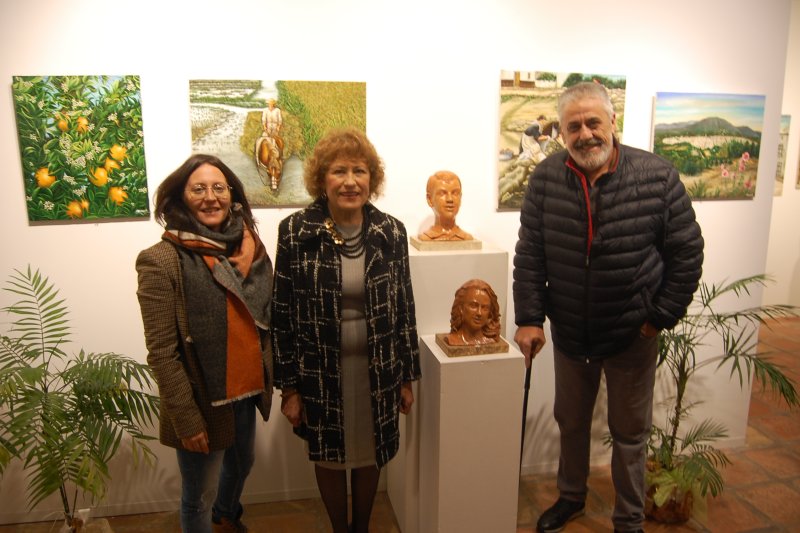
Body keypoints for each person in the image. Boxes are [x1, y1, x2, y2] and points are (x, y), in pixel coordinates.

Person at [513, 82, 704, 533]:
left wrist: (657, 318)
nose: (585, 134)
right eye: (573, 126)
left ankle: (629, 519)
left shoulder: (657, 176)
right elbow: (530, 254)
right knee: (571, 422)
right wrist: (528, 318)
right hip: (571, 333)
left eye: (593, 122)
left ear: (612, 122)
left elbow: (687, 254)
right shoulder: (545, 179)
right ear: (560, 132)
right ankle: (571, 497)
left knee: (630, 435)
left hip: (631, 336)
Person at [271, 128, 421, 533]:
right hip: (320, 373)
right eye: (340, 171)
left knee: (371, 452)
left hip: (380, 370)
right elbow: (282, 314)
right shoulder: (295, 232)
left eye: (360, 171)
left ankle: (362, 527)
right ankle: (341, 529)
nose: (351, 181)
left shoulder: (391, 232)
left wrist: (408, 377)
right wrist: (288, 388)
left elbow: (405, 306)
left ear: (372, 178)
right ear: (322, 179)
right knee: (329, 455)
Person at [136, 154, 274, 533]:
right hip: (201, 398)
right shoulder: (160, 261)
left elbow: (264, 320)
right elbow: (162, 351)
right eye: (198, 189)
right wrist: (186, 417)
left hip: (245, 387)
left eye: (219, 188)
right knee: (197, 494)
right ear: (180, 198)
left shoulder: (251, 250)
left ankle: (226, 515)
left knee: (242, 462)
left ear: (232, 195)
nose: (210, 197)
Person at [419, 170, 473, 241]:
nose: (450, 199)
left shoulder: (466, 238)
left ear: (460, 197)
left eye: (455, 193)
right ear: (429, 199)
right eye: (442, 193)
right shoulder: (426, 239)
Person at [445, 279, 501, 345]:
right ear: (461, 308)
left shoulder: (490, 340)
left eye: (484, 308)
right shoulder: (452, 340)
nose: (479, 313)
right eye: (473, 306)